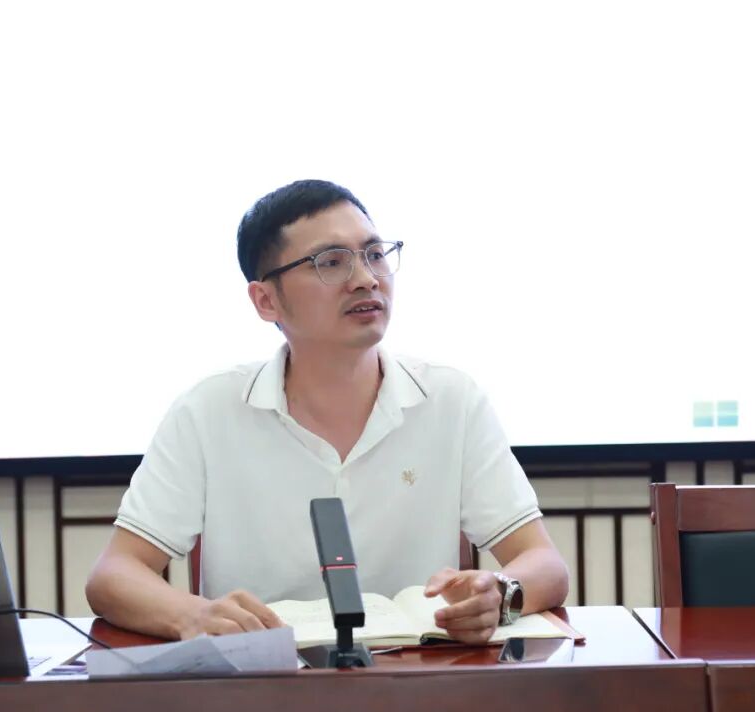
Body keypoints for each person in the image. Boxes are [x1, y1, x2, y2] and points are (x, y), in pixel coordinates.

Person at [86, 180, 569, 645]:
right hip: (264, 681)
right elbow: (114, 575)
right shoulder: (208, 410)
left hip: (419, 679)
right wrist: (191, 615)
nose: (366, 279)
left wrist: (500, 595)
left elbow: (544, 563)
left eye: (375, 254)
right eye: (331, 262)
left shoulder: (451, 400)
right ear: (266, 300)